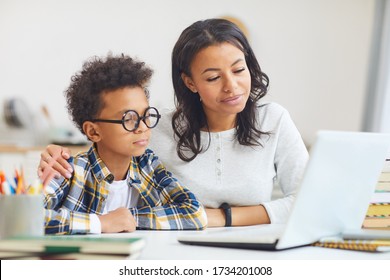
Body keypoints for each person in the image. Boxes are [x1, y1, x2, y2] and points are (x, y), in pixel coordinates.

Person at [38, 18, 308, 228]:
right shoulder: (156, 127)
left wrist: (219, 218)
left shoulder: (275, 119)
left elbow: (308, 202)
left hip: (252, 246)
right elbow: (108, 145)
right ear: (190, 82)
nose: (232, 86)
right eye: (213, 78)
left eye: (239, 70)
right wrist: (59, 156)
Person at [40, 54, 207, 235]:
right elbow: (22, 218)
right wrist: (100, 223)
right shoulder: (69, 171)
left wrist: (128, 218)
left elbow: (195, 214)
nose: (142, 127)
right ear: (93, 131)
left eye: (146, 115)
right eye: (129, 119)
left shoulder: (148, 166)